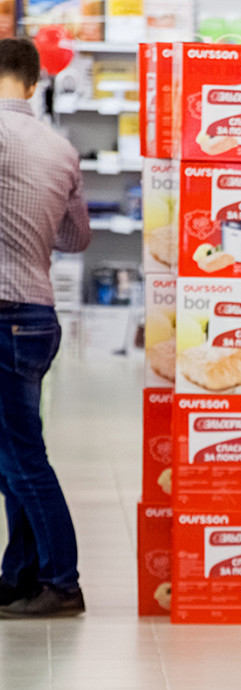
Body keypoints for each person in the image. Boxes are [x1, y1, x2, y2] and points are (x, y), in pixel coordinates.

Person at [0, 38, 91, 620]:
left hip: (4, 314)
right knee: (12, 456)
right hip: (37, 316)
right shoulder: (61, 148)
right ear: (35, 85)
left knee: (24, 459)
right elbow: (76, 238)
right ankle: (19, 576)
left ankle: (62, 581)